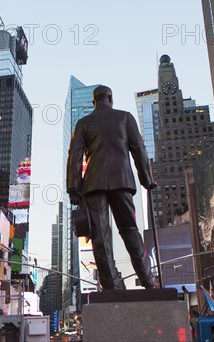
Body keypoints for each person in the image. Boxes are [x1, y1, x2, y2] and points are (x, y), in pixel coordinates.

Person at [66, 85, 157, 290]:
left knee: (101, 236)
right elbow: (139, 150)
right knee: (130, 230)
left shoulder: (84, 123)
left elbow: (74, 157)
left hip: (94, 184)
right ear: (110, 98)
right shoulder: (125, 118)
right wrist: (147, 178)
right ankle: (148, 281)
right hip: (122, 181)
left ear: (94, 102)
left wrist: (73, 188)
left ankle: (110, 286)